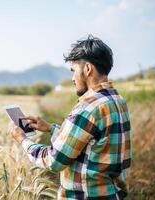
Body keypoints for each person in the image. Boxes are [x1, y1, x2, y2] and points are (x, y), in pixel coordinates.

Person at [8, 35, 132, 200]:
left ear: (87, 69)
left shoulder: (88, 108)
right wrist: (51, 129)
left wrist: (22, 139)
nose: (73, 78)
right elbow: (91, 142)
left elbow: (54, 160)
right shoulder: (117, 100)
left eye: (74, 71)